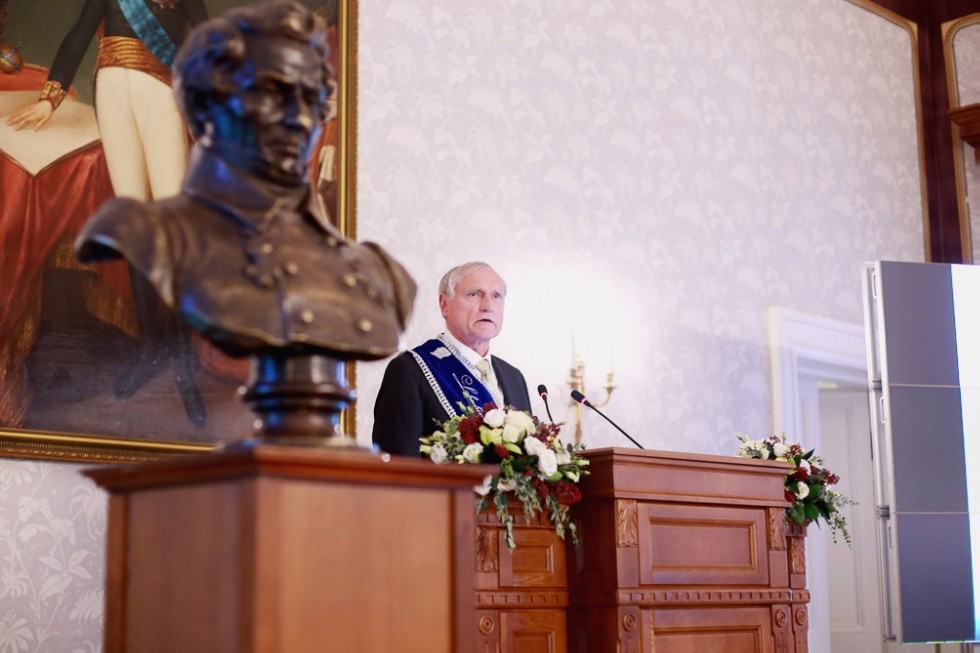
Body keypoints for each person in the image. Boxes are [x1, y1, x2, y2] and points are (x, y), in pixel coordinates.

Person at [74, 1, 415, 366]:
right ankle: (149, 348)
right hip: (113, 92)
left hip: (163, 96)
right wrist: (51, 93)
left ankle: (178, 354)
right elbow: (79, 35)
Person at [372, 261, 532, 457]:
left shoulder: (514, 377)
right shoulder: (410, 370)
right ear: (444, 304)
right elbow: (397, 467)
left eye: (496, 296)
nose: (488, 306)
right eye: (474, 294)